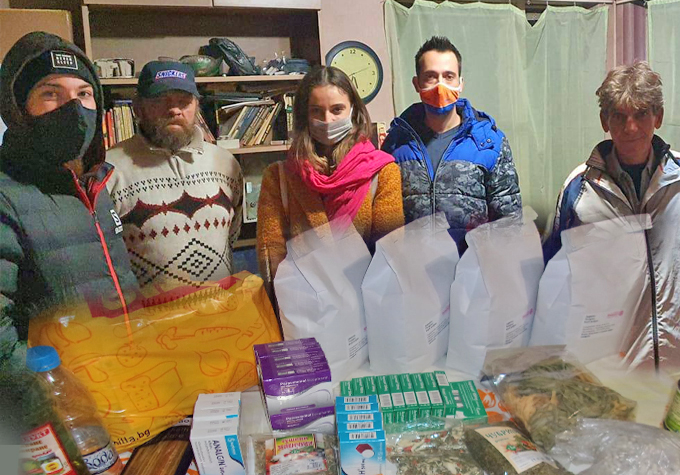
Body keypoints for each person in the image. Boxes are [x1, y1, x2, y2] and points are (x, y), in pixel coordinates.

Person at [543, 61, 680, 373]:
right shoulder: (580, 189)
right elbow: (557, 275)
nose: (631, 128)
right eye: (619, 116)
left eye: (641, 114)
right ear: (604, 120)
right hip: (609, 367)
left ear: (658, 117)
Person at [0, 32, 139, 426]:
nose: (73, 108)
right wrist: (57, 396)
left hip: (125, 389)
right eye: (51, 93)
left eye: (84, 94)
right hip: (63, 415)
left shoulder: (93, 182)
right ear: (18, 107)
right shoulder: (6, 193)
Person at [256, 66, 403, 282]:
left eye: (337, 109)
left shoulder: (382, 173)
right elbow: (272, 257)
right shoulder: (279, 178)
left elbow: (389, 253)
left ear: (353, 111)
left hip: (365, 295)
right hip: (302, 297)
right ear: (304, 115)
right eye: (316, 111)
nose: (327, 120)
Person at [106, 60, 243, 288]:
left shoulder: (226, 163)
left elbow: (231, 236)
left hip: (223, 306)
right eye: (161, 101)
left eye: (184, 101)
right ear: (137, 107)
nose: (174, 110)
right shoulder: (109, 170)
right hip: (148, 310)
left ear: (196, 106)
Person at [381, 36, 521, 251]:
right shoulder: (396, 143)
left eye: (449, 76)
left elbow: (508, 223)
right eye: (431, 77)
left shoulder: (489, 142)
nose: (440, 86)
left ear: (460, 83)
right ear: (417, 84)